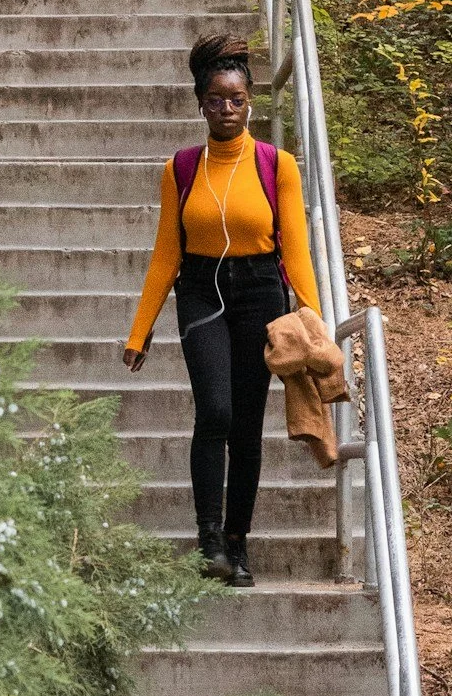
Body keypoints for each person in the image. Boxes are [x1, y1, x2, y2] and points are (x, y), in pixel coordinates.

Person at [121, 32, 321, 588]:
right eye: (216, 99)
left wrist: (314, 319)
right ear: (200, 103)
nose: (227, 109)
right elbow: (165, 254)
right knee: (214, 412)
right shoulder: (180, 168)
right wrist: (140, 332)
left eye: (236, 99)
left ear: (250, 100)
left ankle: (239, 543)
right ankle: (208, 538)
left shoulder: (275, 165)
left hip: (260, 292)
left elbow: (296, 250)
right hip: (202, 293)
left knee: (248, 426)